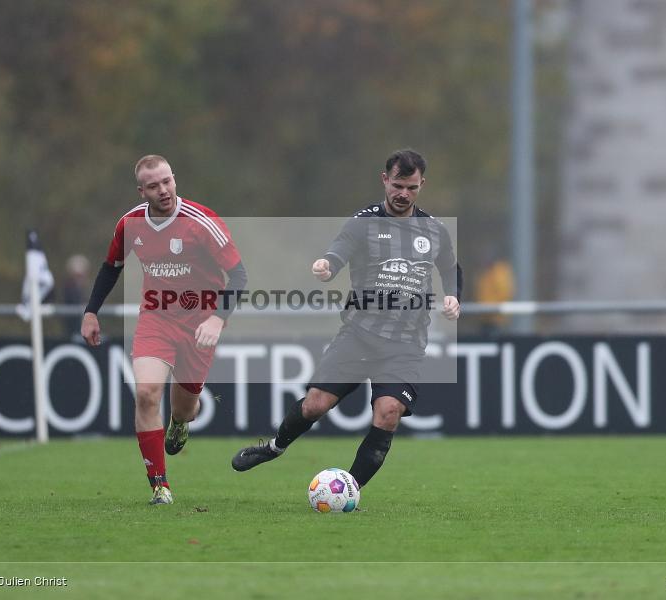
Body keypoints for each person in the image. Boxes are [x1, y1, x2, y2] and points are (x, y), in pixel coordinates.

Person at [231, 149, 461, 494]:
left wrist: (453, 295)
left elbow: (450, 268)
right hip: (359, 336)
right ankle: (274, 447)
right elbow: (338, 251)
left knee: (389, 412)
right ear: (385, 180)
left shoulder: (434, 230)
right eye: (398, 185)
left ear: (421, 185)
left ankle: (349, 490)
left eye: (411, 188)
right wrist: (327, 265)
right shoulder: (363, 223)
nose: (403, 194)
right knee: (315, 405)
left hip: (406, 344)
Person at [82, 155, 247, 505]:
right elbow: (111, 266)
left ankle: (180, 422)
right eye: (153, 185)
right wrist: (91, 312)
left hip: (199, 324)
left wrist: (217, 318)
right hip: (156, 318)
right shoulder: (130, 224)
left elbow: (239, 276)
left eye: (167, 181)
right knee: (146, 393)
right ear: (141, 191)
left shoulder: (202, 221)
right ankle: (160, 485)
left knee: (185, 409)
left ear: (174, 179)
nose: (163, 190)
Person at [63, 254, 90, 341]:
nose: (81, 278)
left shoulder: (85, 289)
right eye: (78, 275)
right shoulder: (69, 289)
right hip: (74, 332)